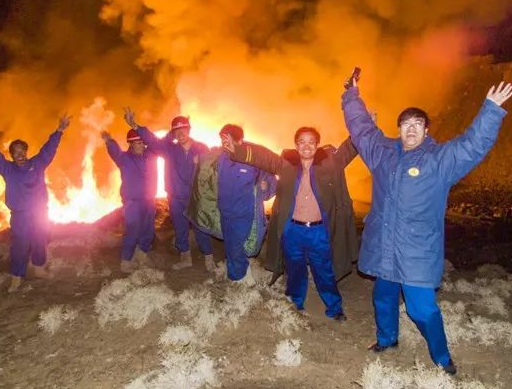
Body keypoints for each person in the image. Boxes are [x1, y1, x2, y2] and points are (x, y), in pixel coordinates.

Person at [342, 76, 512, 375]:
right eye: (406, 123)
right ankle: (387, 340)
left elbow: (472, 145)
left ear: (426, 129)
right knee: (382, 297)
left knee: (420, 309)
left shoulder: (440, 160)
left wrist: (491, 110)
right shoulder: (382, 153)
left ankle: (442, 358)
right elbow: (362, 130)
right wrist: (351, 95)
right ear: (399, 129)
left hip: (417, 252)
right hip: (384, 247)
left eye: (418, 123)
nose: (411, 128)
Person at [222, 126, 358, 320]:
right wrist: (237, 149)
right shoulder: (286, 164)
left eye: (311, 142)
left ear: (317, 145)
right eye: (302, 142)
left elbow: (348, 149)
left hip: (318, 231)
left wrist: (362, 126)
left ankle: (334, 308)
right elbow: (263, 157)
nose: (306, 146)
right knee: (294, 270)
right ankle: (296, 303)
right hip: (293, 229)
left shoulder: (329, 163)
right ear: (296, 145)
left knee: (324, 271)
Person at [0, 115, 71, 293]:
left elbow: (48, 150)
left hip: (39, 213)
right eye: (16, 152)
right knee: (19, 245)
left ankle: (39, 268)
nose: (20, 155)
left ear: (26, 152)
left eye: (22, 151)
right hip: (20, 216)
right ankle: (16, 277)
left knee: (40, 241)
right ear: (11, 155)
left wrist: (59, 131)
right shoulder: (8, 169)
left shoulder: (37, 163)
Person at [124, 108, 215, 271]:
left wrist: (201, 159)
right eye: (177, 132)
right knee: (180, 229)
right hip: (176, 198)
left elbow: (215, 163)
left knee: (201, 228)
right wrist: (136, 126)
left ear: (189, 130)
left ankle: (209, 258)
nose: (180, 135)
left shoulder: (201, 149)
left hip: (196, 198)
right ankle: (185, 258)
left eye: (183, 130)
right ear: (173, 134)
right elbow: (152, 141)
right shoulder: (170, 149)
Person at [188, 124, 276, 282]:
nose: (224, 144)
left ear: (240, 141)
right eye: (223, 140)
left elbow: (270, 180)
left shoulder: (253, 158)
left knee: (235, 249)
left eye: (228, 141)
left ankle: (238, 280)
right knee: (230, 247)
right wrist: (199, 159)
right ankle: (245, 274)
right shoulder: (221, 156)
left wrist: (266, 186)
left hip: (243, 214)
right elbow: (208, 157)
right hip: (224, 212)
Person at [102, 127, 159, 274]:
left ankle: (142, 255)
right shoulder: (124, 159)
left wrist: (136, 125)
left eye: (142, 142)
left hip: (149, 201)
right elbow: (115, 152)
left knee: (148, 229)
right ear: (130, 144)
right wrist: (109, 140)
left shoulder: (151, 155)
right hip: (132, 202)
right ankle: (126, 261)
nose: (141, 146)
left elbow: (156, 142)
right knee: (132, 230)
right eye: (137, 143)